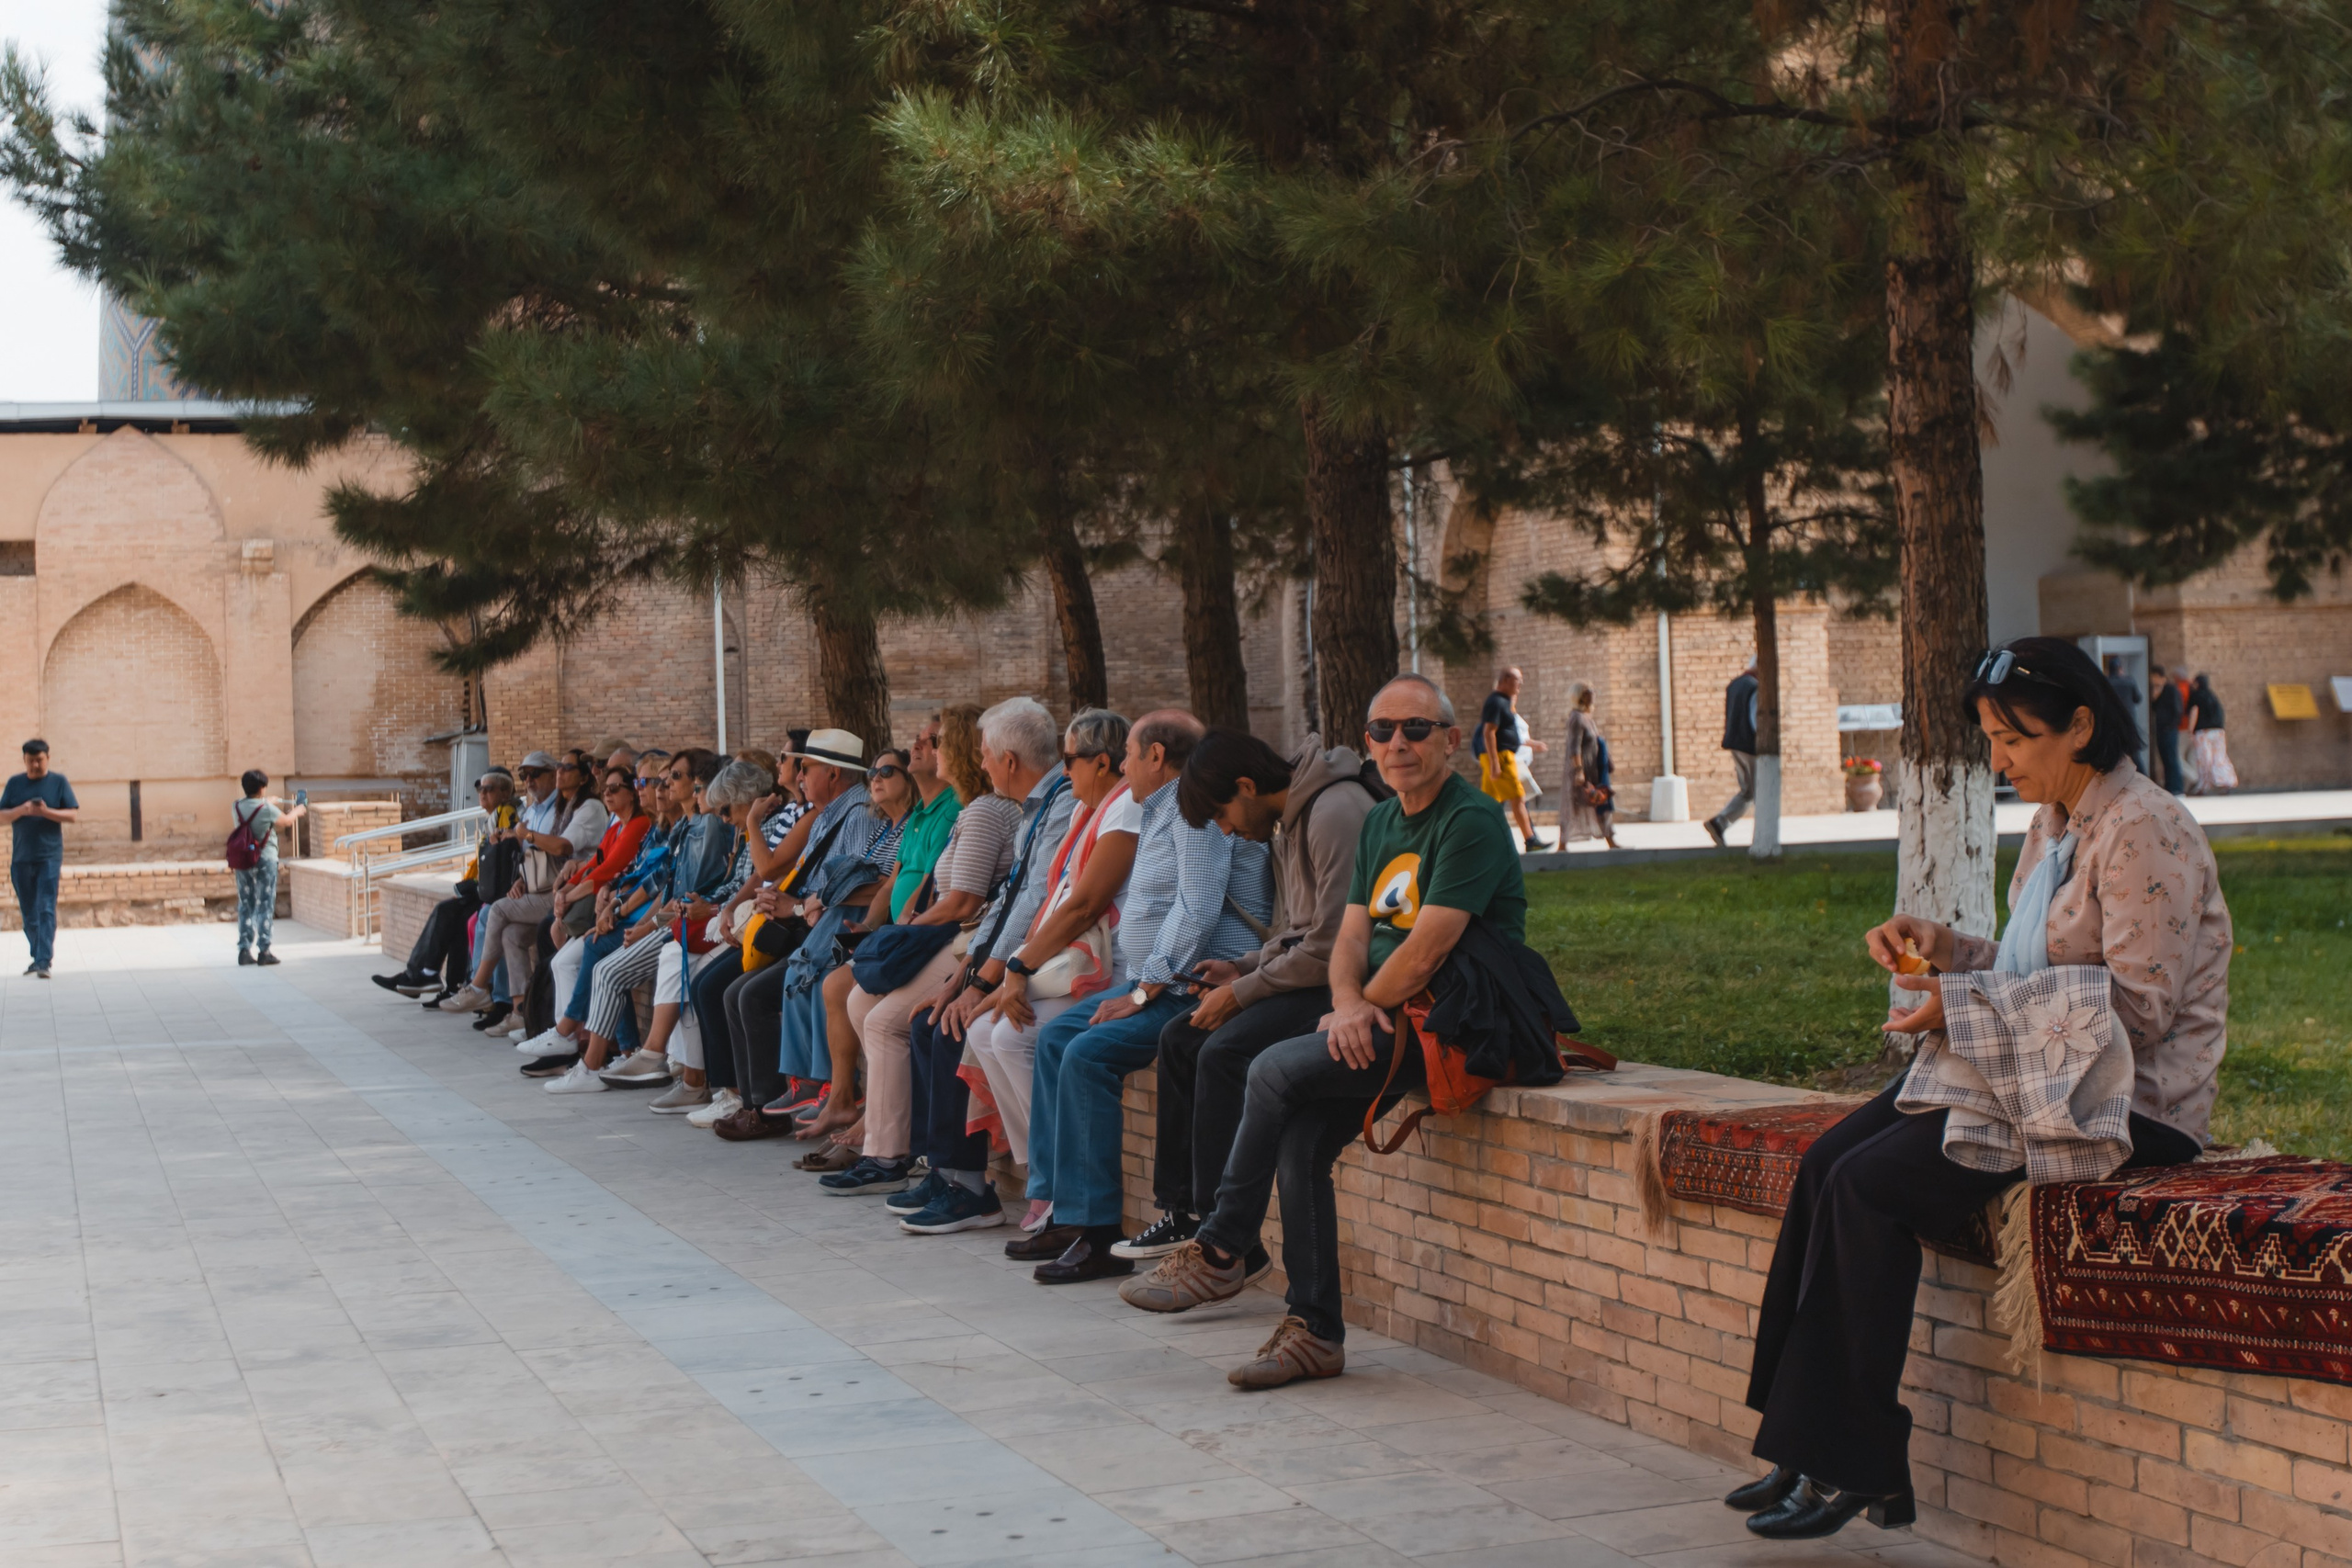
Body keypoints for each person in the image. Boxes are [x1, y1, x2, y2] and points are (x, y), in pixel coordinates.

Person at [1732, 637, 2229, 1540]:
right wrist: (1947, 950)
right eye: (1988, 738)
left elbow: (2140, 1011)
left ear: (2079, 726)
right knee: (1827, 1161)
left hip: (2125, 1103)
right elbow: (2034, 963)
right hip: (2041, 1073)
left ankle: (1854, 1462)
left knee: (1867, 1187)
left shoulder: (2142, 826)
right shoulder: (2056, 824)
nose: (1996, 759)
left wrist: (1959, 1011)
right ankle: (1798, 1443)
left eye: (2014, 738)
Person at [1120, 672, 1529, 1391]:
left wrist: (1360, 1003)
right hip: (1383, 1015)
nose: (1396, 743)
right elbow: (1349, 934)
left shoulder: (1469, 821)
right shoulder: (1381, 821)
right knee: (1302, 1138)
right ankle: (1316, 1332)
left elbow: (1428, 948)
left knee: (1270, 1067)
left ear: (1450, 740)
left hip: (1451, 1022)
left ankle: (1221, 1248)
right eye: (1382, 730)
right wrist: (1348, 1003)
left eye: (1415, 729)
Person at [1017, 711, 1274, 1284]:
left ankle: (1098, 1231)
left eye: (1130, 754)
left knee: (1086, 1053)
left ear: (1157, 756)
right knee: (1059, 1035)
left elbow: (1200, 907)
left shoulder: (1193, 812)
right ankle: (1063, 1207)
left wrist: (1142, 989)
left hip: (1190, 984)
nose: (1124, 766)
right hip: (1160, 980)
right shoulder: (1167, 811)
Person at [1124, 727, 1376, 1263]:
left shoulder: (1334, 811)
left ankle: (1230, 1244)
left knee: (1222, 1051)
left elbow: (1335, 945)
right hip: (1307, 973)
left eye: (1222, 815)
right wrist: (1238, 967)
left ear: (1245, 785)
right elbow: (1294, 932)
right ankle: (1188, 1214)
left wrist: (1242, 992)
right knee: (1179, 1037)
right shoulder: (1289, 820)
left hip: (1347, 987)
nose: (1228, 831)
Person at [887, 699, 1077, 1235]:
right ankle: (947, 1172)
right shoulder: (1034, 808)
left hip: (1057, 965)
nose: (983, 764)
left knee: (956, 1031)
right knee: (933, 1022)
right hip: (1007, 958)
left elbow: (1034, 902)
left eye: (987, 755)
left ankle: (974, 1188)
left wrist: (986, 979)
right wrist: (966, 976)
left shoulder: (1056, 805)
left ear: (1009, 760)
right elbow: (1008, 905)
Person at [952, 708, 1136, 1226]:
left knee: (1010, 1036)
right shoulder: (1087, 809)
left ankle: (1058, 1183)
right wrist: (1013, 971)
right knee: (986, 1031)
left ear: (1103, 763)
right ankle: (1041, 1171)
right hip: (1061, 961)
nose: (1065, 769)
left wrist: (1015, 969)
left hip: (1102, 968)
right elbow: (1054, 899)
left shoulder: (1124, 811)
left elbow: (1083, 906)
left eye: (1071, 759)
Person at [3, 739, 78, 978]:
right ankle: (38, 956)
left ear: (47, 758)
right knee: (29, 912)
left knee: (46, 907)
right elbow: (2, 815)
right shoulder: (15, 784)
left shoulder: (58, 782)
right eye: (31, 760)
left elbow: (72, 814)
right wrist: (22, 810)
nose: (35, 764)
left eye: (40, 759)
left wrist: (46, 812)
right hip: (22, 858)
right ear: (24, 760)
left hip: (49, 857)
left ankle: (44, 960)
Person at [229, 770, 308, 965]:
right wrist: (299, 809)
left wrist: (267, 802)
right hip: (265, 858)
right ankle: (264, 951)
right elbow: (286, 821)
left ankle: (244, 950)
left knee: (245, 903)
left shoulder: (236, 806)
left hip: (243, 859)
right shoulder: (266, 808)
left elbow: (252, 813)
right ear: (262, 788)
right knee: (265, 903)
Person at [1475, 667, 1552, 852]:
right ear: (1506, 680)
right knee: (1518, 798)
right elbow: (1489, 732)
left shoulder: (1502, 701)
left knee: (1489, 804)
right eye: (1518, 680)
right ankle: (1530, 840)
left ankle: (1481, 843)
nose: (1521, 685)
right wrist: (1495, 764)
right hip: (1500, 757)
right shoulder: (1496, 702)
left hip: (1502, 756)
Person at [1703, 657, 1759, 848]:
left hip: (1735, 743)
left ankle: (1719, 823)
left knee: (1748, 791)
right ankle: (1762, 833)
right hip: (1750, 745)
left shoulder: (1735, 684)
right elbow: (1755, 719)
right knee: (1759, 790)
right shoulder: (1755, 687)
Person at [1561, 683, 1618, 848]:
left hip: (1594, 770)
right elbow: (1574, 746)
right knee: (1572, 806)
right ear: (1579, 695)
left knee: (1600, 802)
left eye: (1593, 691)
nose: (1592, 694)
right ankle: (1562, 845)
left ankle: (1611, 840)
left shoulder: (1587, 717)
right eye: (1587, 692)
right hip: (1581, 771)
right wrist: (1579, 771)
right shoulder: (1576, 718)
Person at [2188, 671, 2237, 794]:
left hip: (2203, 732)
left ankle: (2203, 786)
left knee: (2204, 759)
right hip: (2218, 731)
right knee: (2219, 757)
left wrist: (2190, 730)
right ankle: (2227, 781)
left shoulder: (2197, 695)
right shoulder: (2213, 696)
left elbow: (2194, 711)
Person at [2148, 664, 2185, 795]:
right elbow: (2153, 706)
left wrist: (2171, 725)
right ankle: (2170, 786)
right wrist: (2156, 692)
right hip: (2161, 729)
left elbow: (2177, 709)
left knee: (2171, 758)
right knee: (2164, 758)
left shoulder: (2171, 689)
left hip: (2169, 729)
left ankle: (2176, 787)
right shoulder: (2159, 690)